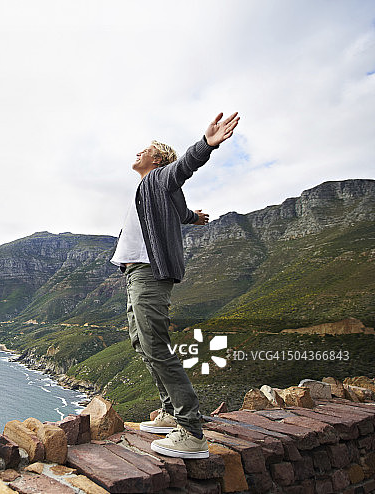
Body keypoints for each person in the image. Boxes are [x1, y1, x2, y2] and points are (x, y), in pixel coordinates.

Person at [109, 112, 240, 459]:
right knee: (143, 344)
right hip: (135, 274)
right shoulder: (153, 190)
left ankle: (191, 432)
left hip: (150, 273)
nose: (139, 152)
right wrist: (194, 217)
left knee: (156, 348)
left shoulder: (160, 178)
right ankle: (170, 414)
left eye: (146, 149)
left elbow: (184, 167)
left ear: (158, 159)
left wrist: (206, 145)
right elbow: (179, 212)